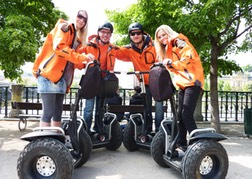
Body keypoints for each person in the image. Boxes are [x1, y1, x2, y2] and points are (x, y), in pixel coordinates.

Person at [32, 10, 95, 127]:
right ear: (74, 16)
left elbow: (73, 61)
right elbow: (60, 48)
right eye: (80, 16)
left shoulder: (77, 39)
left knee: (57, 114)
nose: (82, 20)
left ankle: (56, 142)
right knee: (48, 113)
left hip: (62, 79)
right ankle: (44, 143)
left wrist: (86, 62)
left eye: (85, 19)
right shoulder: (63, 28)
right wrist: (82, 57)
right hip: (49, 75)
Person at [154, 24, 204, 150]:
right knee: (180, 115)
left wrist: (172, 63)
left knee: (186, 115)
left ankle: (198, 144)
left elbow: (190, 57)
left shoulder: (178, 42)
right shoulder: (169, 49)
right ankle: (181, 143)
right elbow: (173, 67)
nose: (162, 38)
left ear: (169, 33)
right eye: (159, 37)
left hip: (193, 82)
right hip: (183, 84)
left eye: (164, 35)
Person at [80, 22, 126, 132]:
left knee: (100, 108)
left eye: (108, 33)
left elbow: (129, 54)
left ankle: (98, 129)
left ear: (111, 35)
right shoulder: (88, 45)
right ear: (98, 33)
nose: (105, 35)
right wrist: (84, 59)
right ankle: (85, 131)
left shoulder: (113, 48)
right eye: (103, 32)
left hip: (104, 82)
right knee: (88, 108)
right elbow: (77, 56)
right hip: (91, 81)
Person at [118, 22, 164, 132]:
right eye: (132, 34)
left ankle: (159, 132)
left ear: (142, 33)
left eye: (138, 33)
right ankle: (147, 131)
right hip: (144, 83)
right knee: (146, 108)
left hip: (157, 82)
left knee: (159, 109)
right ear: (130, 36)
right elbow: (114, 50)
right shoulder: (129, 50)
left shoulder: (154, 46)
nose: (135, 36)